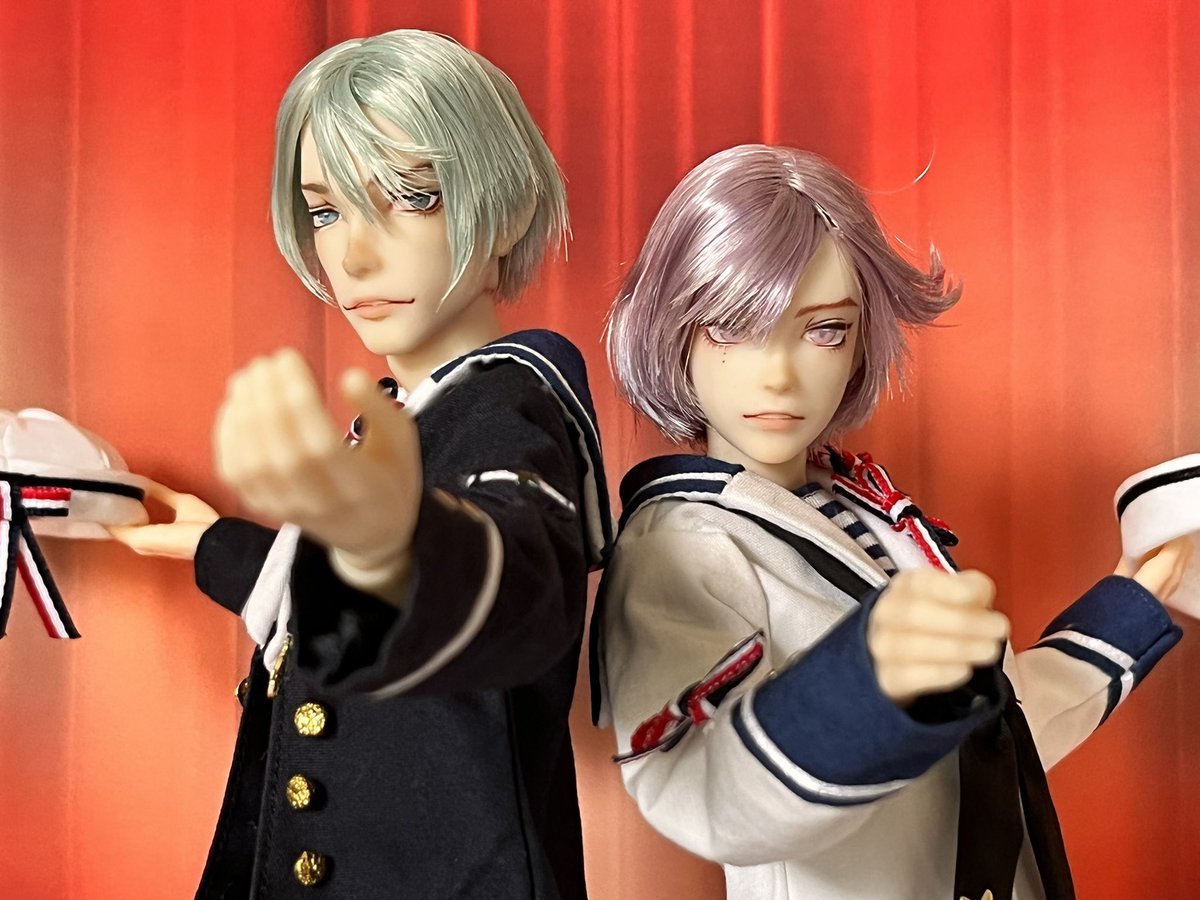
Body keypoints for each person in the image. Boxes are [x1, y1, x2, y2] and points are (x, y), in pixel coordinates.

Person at [593, 144, 1189, 900]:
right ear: (672, 328)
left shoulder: (865, 512)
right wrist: (863, 687)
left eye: (824, 331)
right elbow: (700, 789)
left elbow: (991, 734)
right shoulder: (682, 544)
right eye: (732, 326)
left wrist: (1130, 603)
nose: (778, 373)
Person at [113, 29, 611, 899]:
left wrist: (397, 544)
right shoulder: (411, 414)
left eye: (412, 198)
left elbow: (517, 589)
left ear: (509, 209)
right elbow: (332, 597)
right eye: (327, 211)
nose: (354, 255)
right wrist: (215, 544)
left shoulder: (510, 410)